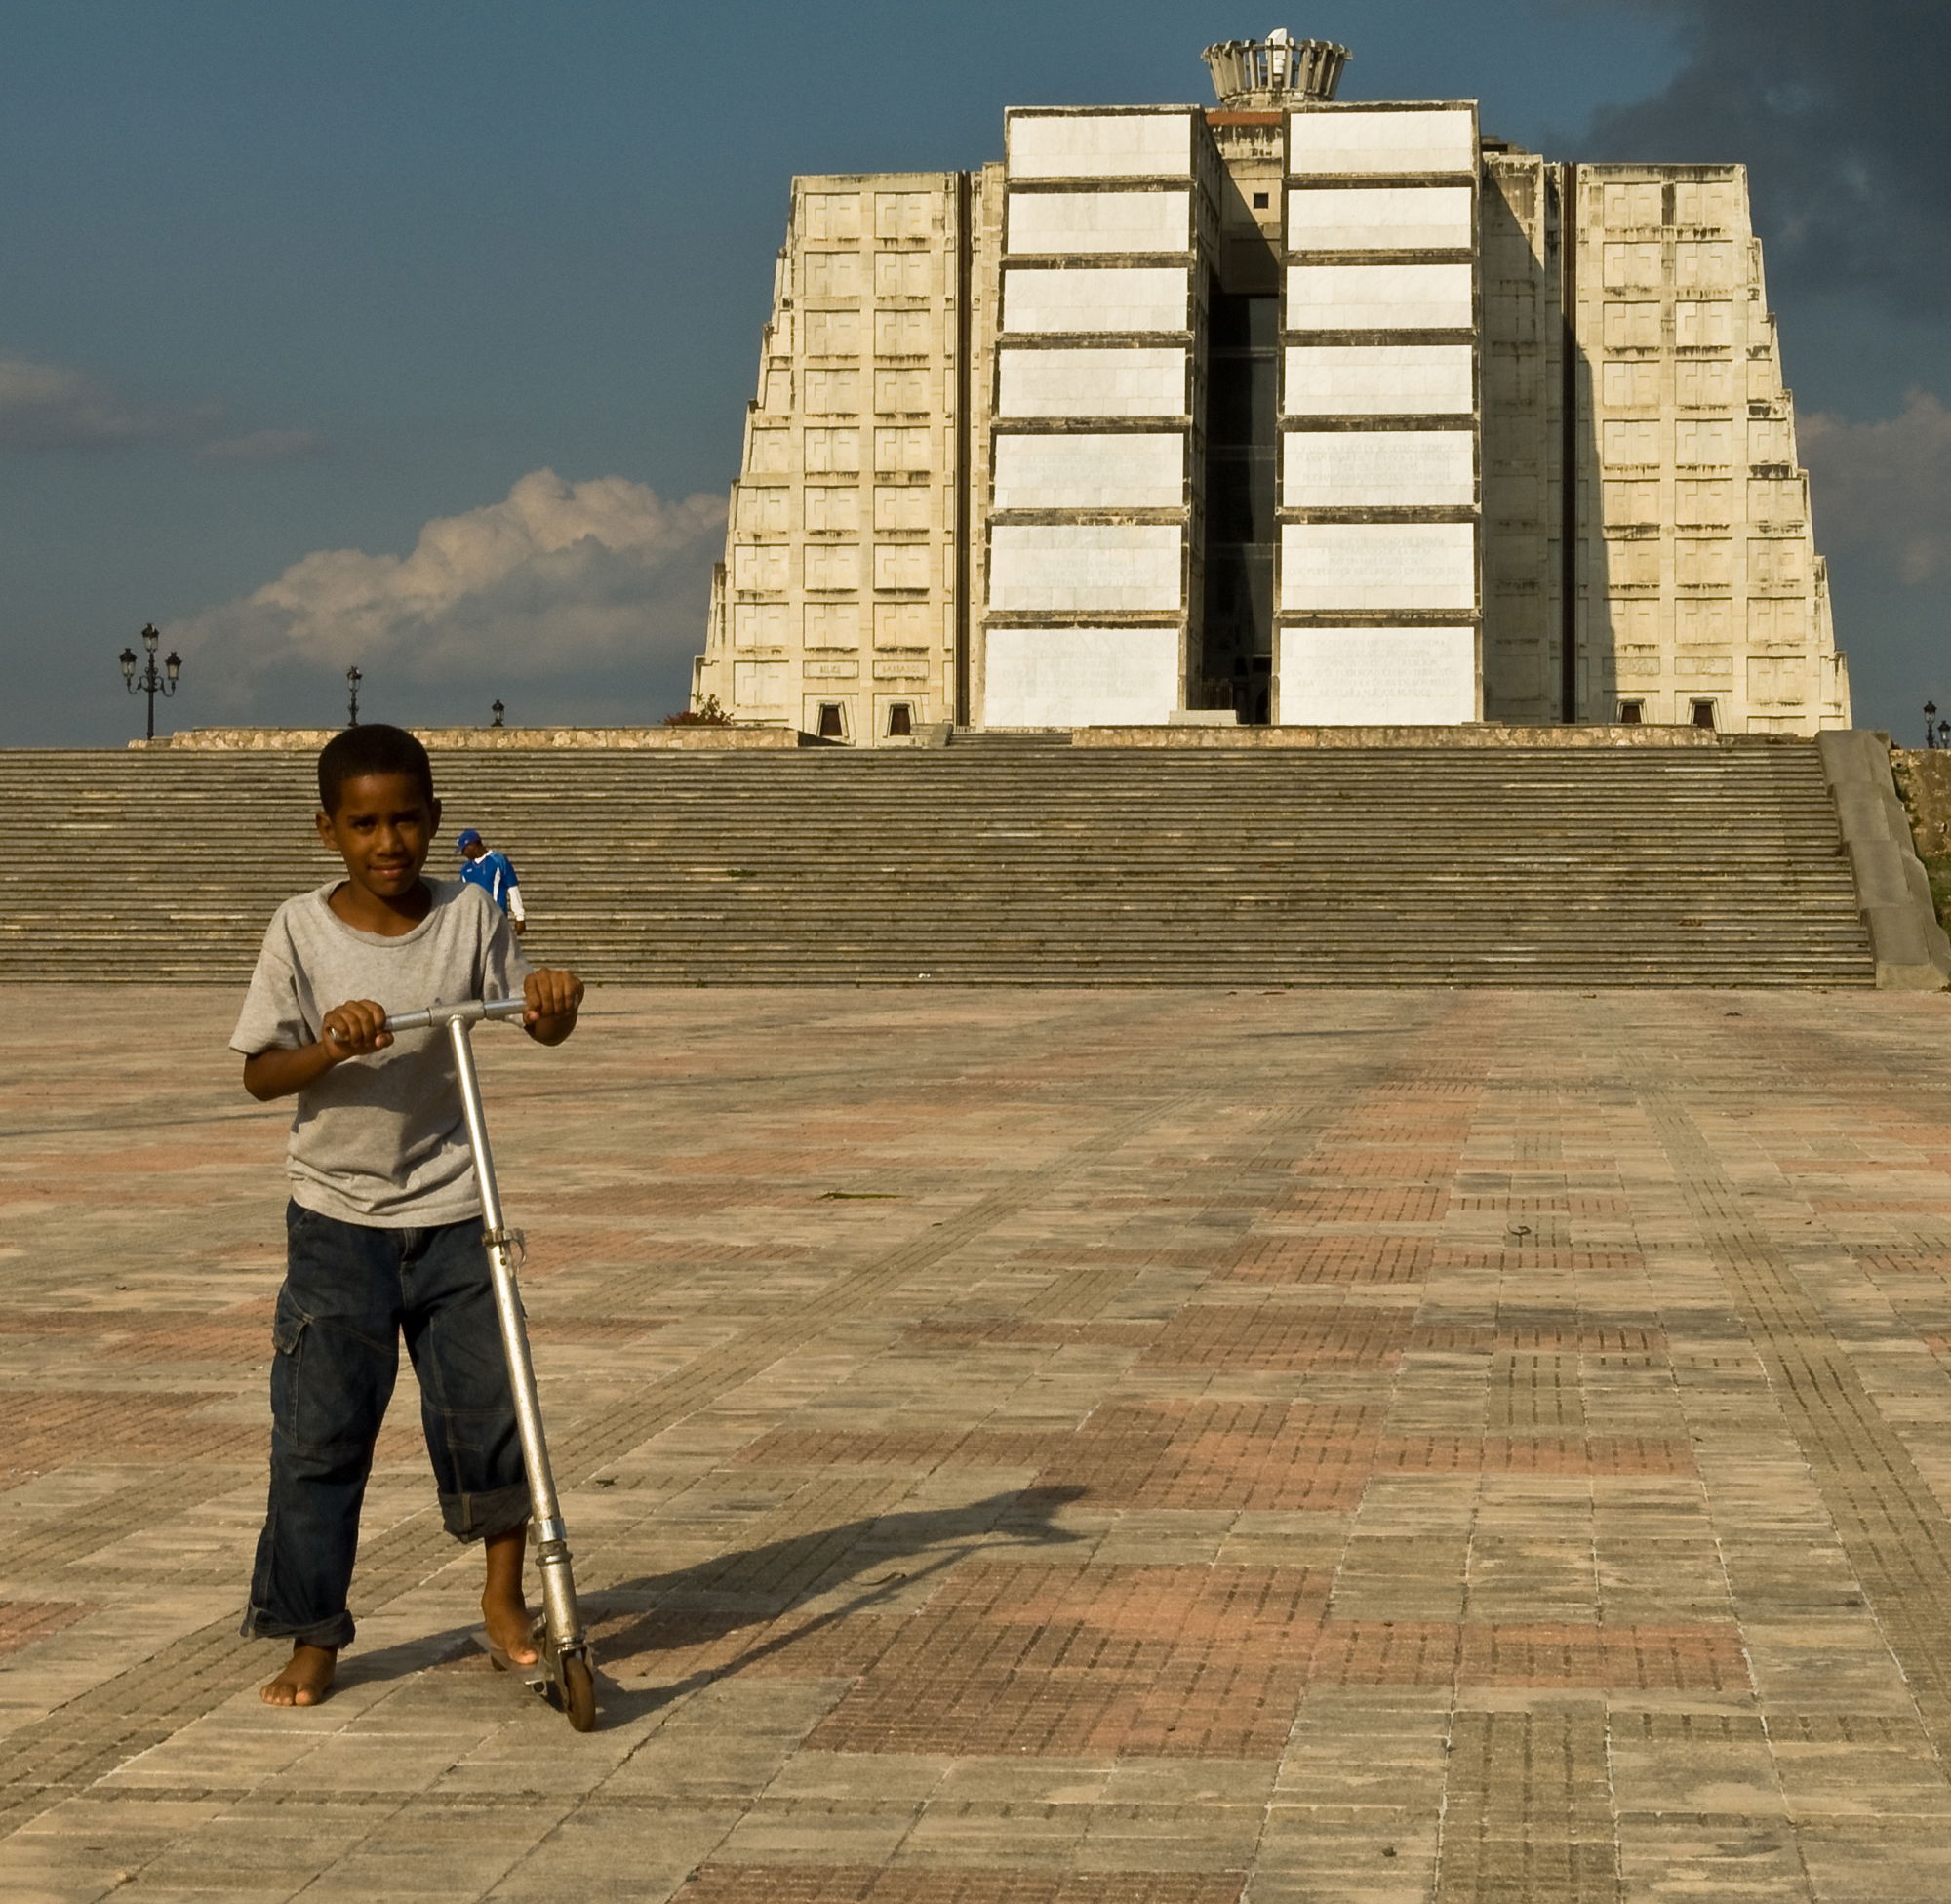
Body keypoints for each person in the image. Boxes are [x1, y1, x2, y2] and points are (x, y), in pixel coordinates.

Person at [229, 723, 583, 1709]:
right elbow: (262, 1072)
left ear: (432, 819)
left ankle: (506, 1599)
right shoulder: (299, 930)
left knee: (491, 1408)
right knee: (319, 1433)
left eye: (405, 821)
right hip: (337, 1219)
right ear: (328, 829)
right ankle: (313, 1635)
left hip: (457, 1208)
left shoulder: (471, 917)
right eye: (364, 824)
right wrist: (331, 1045)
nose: (387, 843)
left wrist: (552, 1004)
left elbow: (530, 1016)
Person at [456, 827, 526, 934]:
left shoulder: (498, 861)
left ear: (473, 845)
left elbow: (512, 887)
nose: (463, 853)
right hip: (474, 923)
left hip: (496, 919)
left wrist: (519, 916)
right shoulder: (465, 869)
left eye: (464, 849)